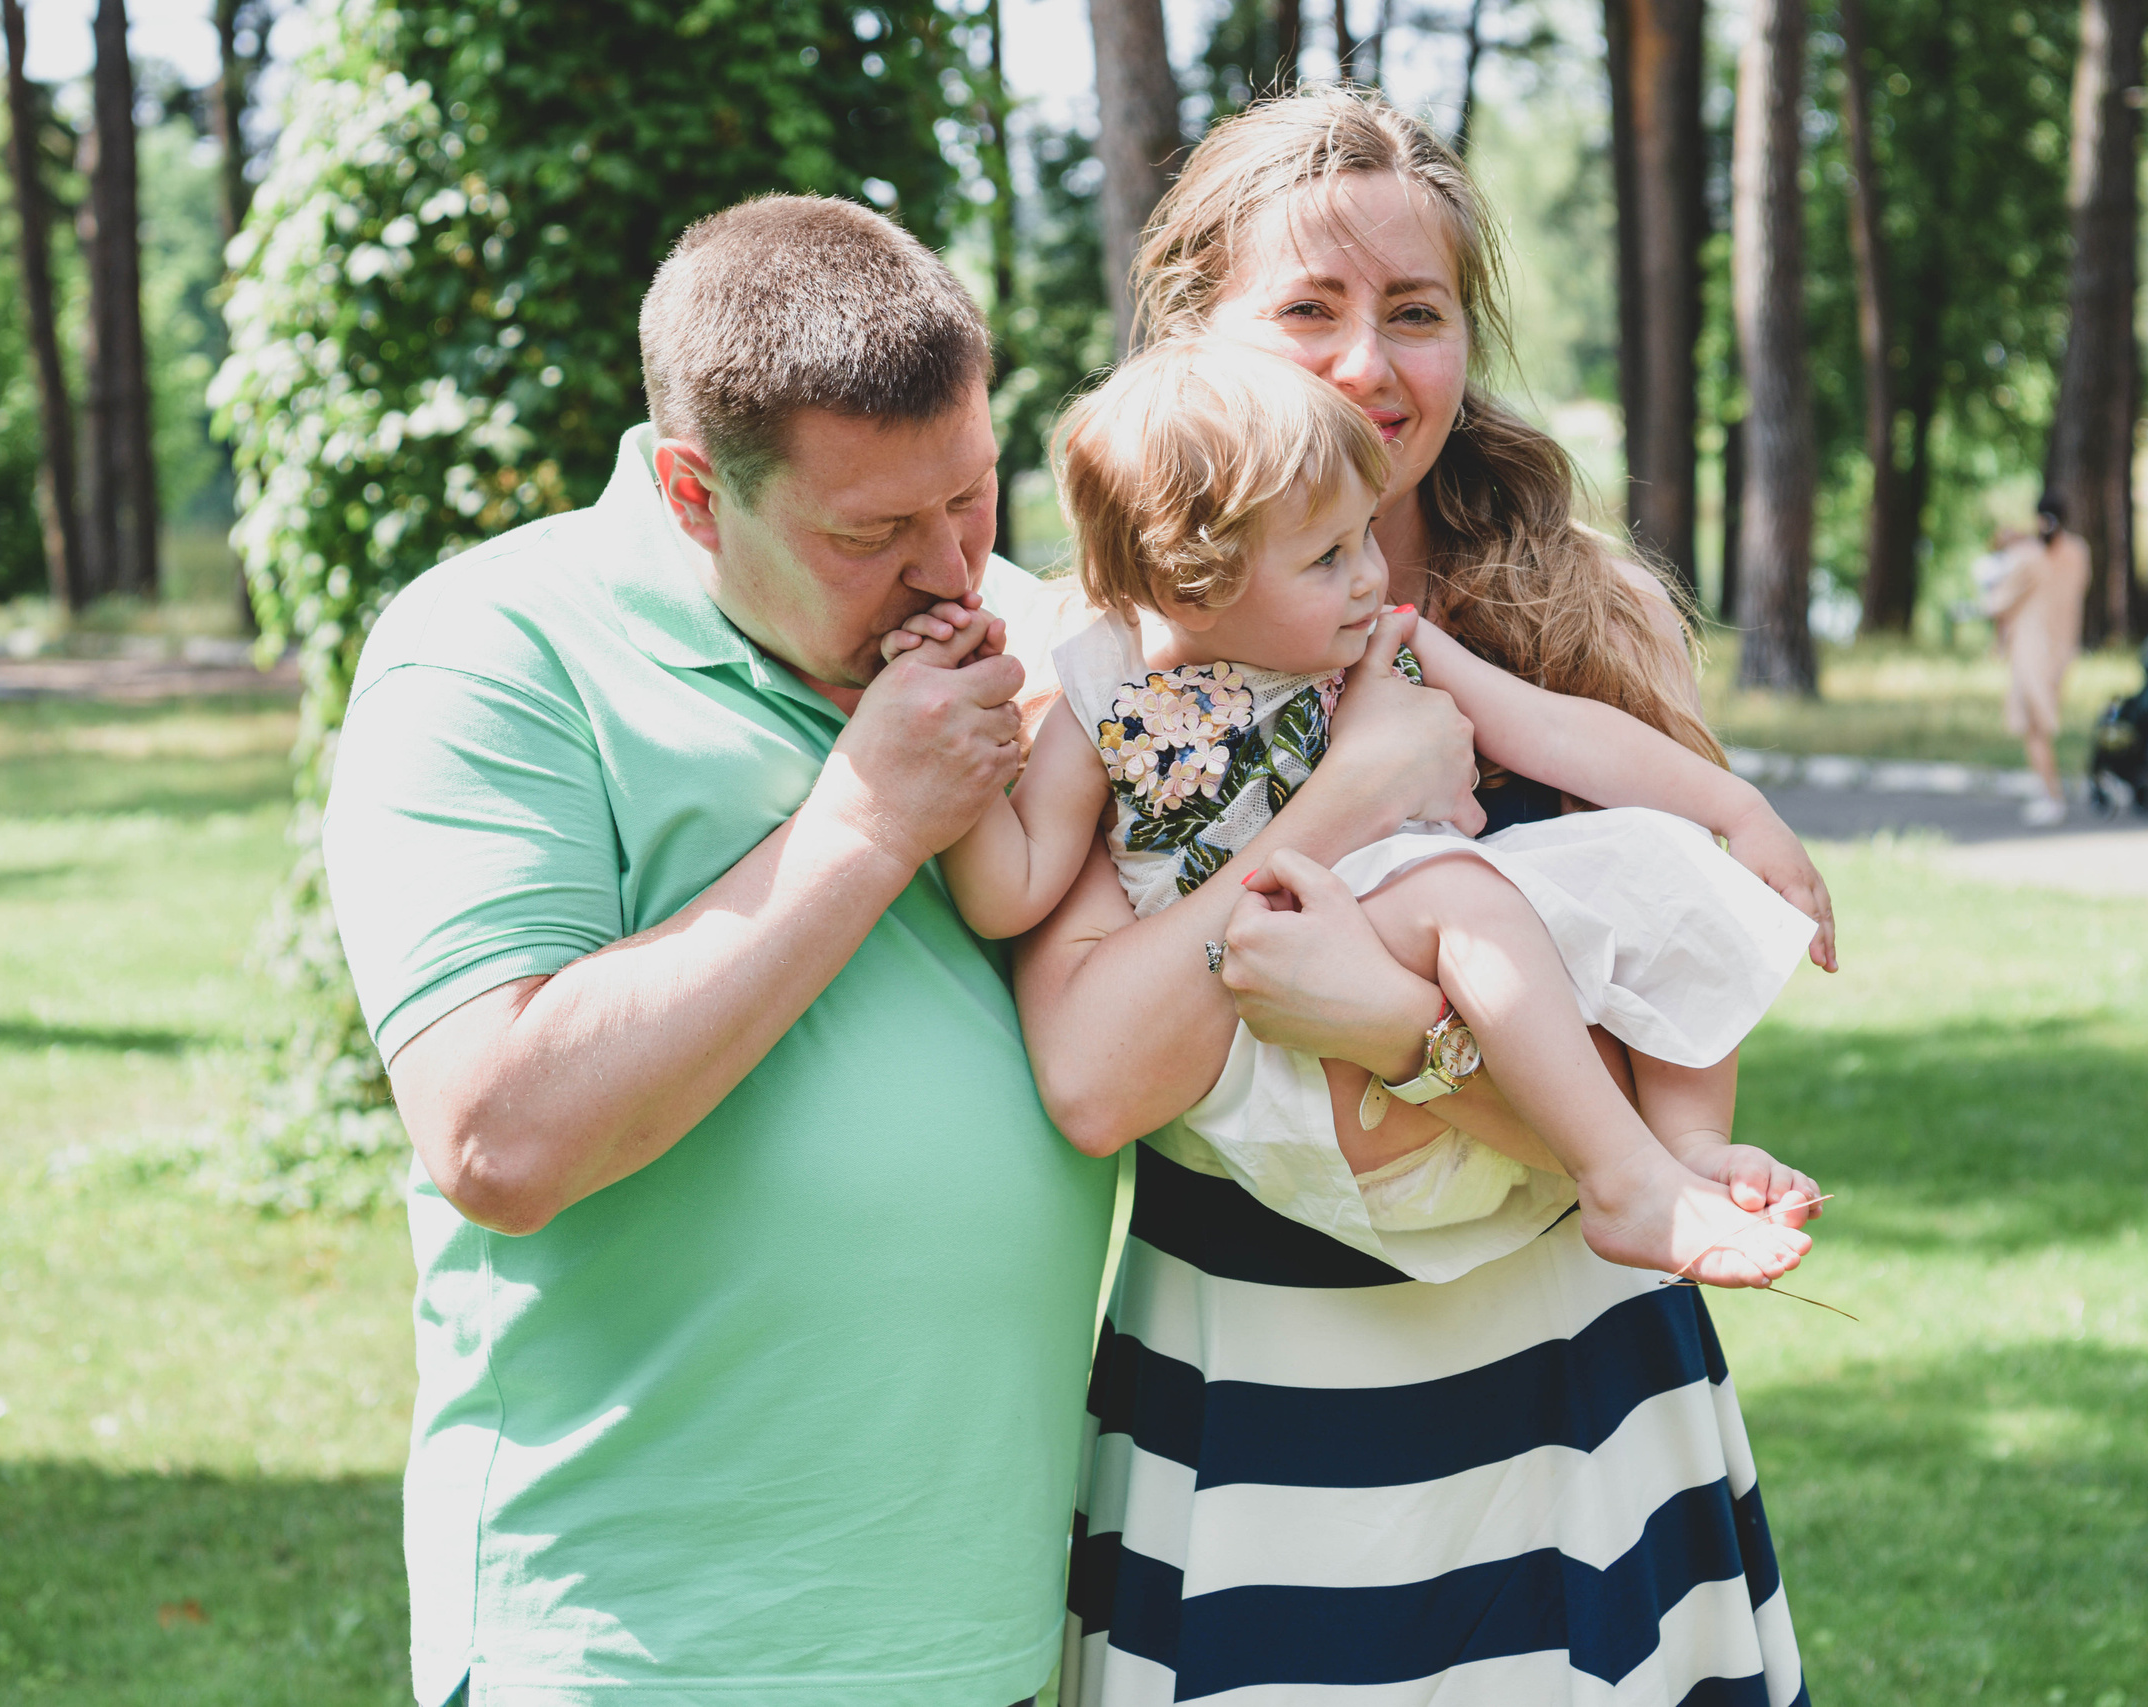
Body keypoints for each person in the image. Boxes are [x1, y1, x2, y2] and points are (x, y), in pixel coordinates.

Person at [1002, 91, 1819, 1704]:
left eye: (1418, 313)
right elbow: (1098, 1076)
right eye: (1309, 308)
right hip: (1257, 1377)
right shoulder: (1102, 646)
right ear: (1194, 327)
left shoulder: (1577, 617)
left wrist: (1395, 1027)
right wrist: (1352, 795)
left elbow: (1650, 1057)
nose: (1369, 366)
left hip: (1575, 1374)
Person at [319, 195, 1116, 1707]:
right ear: (695, 493)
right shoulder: (493, 651)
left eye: (969, 497)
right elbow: (497, 1132)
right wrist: (869, 820)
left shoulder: (1028, 642)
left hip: (983, 1640)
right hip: (636, 1648)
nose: (953, 574)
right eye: (869, 533)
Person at [895, 337, 1828, 1289]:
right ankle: (1622, 1180)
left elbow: (1554, 731)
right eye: (1328, 556)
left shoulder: (1382, 642)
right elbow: (1011, 892)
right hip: (1265, 1015)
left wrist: (1736, 807)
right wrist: (958, 747)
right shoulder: (1101, 698)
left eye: (1367, 534)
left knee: (1654, 853)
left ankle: (1688, 1145)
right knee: (1463, 896)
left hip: (1400, 955)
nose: (1371, 575)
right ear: (1191, 586)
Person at [1984, 492, 2090, 825]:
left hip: (2031, 649)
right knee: (2040, 723)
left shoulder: (2027, 556)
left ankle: (2051, 796)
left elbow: (1997, 602)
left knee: (2034, 726)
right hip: (2063, 649)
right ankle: (2049, 793)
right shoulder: (2077, 552)